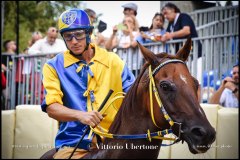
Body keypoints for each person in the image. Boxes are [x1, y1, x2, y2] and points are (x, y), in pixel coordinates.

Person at [41, 9, 135, 159]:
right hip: (74, 143)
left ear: (89, 33)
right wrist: (80, 116)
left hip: (115, 140)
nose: (73, 41)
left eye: (78, 34)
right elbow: (52, 108)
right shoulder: (52, 66)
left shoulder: (113, 60)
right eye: (68, 36)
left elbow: (134, 97)